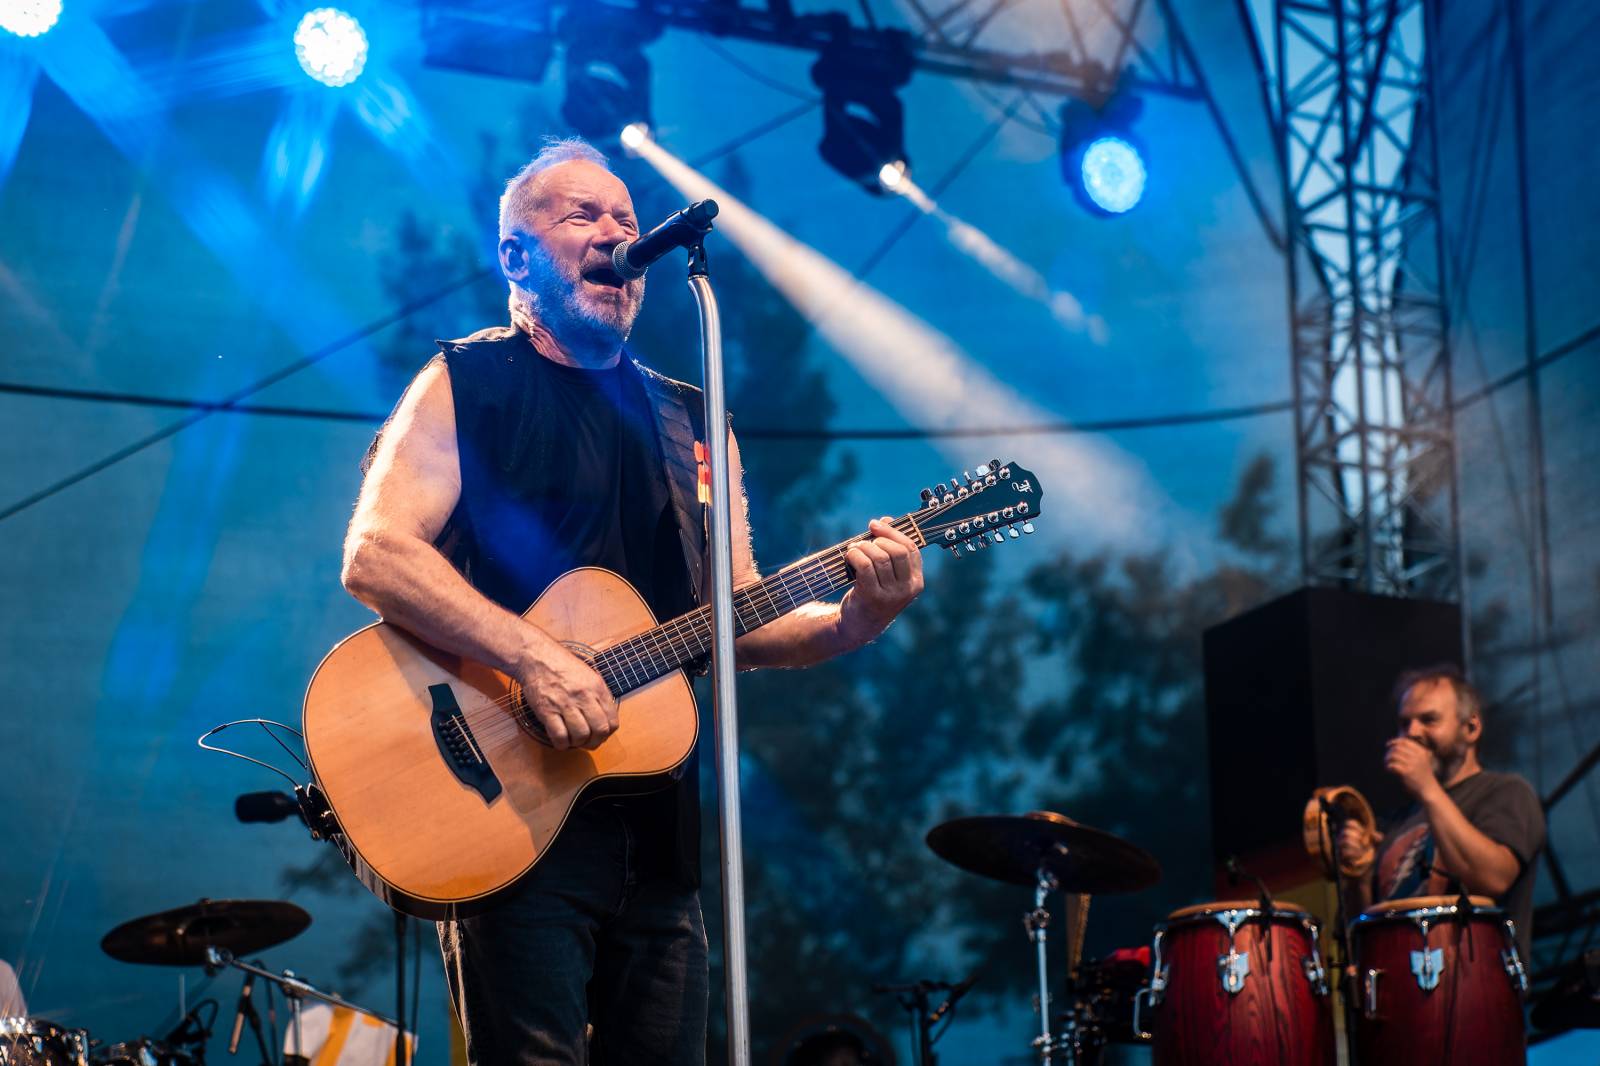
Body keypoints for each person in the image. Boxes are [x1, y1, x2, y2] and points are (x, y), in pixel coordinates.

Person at [339, 138, 924, 1065]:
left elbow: (739, 615)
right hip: (508, 812)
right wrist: (533, 657)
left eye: (625, 217)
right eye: (584, 216)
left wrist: (858, 618)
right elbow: (376, 554)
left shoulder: (693, 418)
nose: (618, 233)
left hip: (658, 832)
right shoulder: (469, 385)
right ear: (517, 257)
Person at [1338, 665, 1545, 958]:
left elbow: (1493, 879)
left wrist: (1427, 787)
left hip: (1477, 988)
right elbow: (1362, 940)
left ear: (1471, 728)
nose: (1412, 733)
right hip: (1398, 993)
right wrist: (1358, 876)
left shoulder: (1505, 792)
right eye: (1404, 723)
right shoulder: (1395, 822)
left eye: (1429, 720)